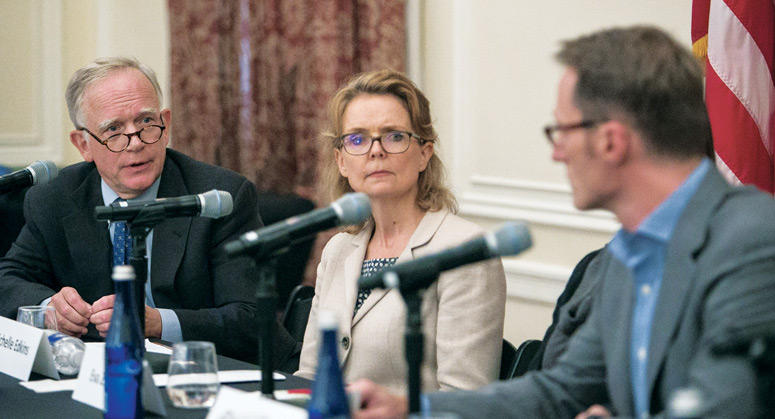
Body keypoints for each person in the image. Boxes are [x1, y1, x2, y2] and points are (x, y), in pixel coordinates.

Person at [350, 26, 775, 418]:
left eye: (562, 131)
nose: (557, 153)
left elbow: (726, 407)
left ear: (611, 141)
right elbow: (559, 389)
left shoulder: (754, 239)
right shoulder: (624, 256)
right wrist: (410, 407)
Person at [0, 57, 298, 366]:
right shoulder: (55, 197)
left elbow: (250, 319)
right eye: (113, 130)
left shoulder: (221, 197)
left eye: (145, 122)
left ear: (165, 124)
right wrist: (48, 307)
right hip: (95, 375)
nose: (136, 143)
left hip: (201, 373)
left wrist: (157, 322)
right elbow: (8, 279)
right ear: (83, 144)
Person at [295, 70, 507, 394]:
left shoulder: (466, 250)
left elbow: (464, 400)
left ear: (424, 153)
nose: (375, 150)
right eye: (357, 139)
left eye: (394, 136)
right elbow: (308, 377)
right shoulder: (338, 249)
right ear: (341, 161)